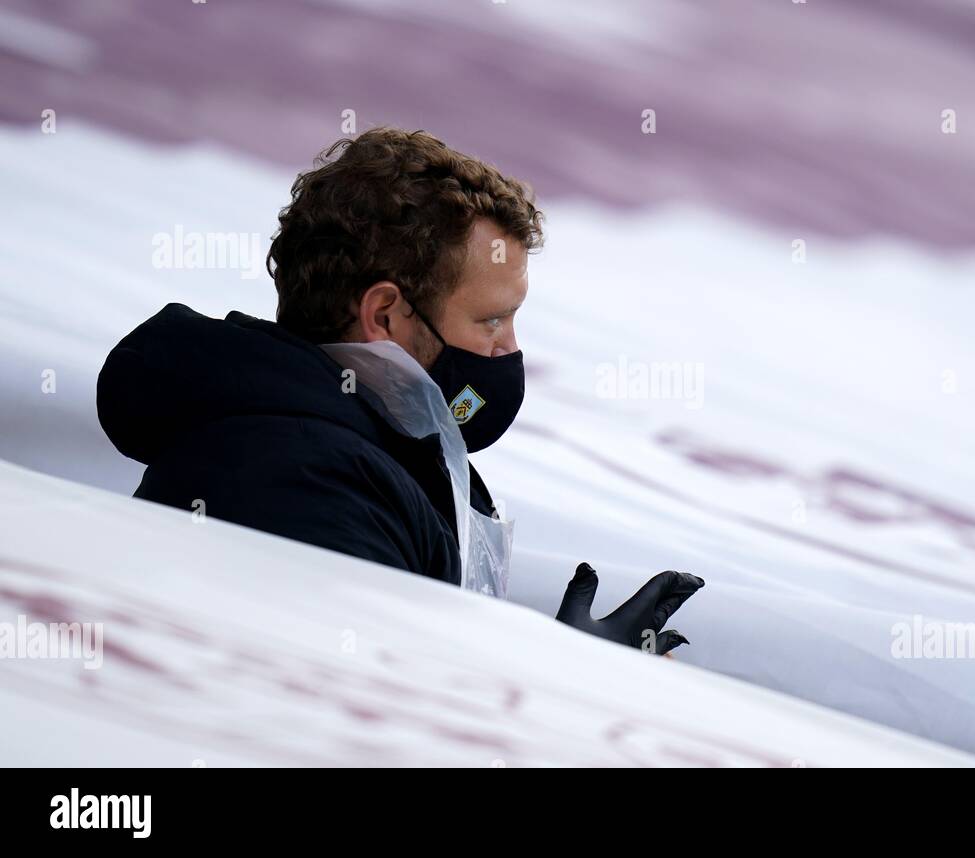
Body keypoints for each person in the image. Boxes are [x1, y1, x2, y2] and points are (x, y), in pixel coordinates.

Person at [96, 127, 702, 654]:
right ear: (385, 316)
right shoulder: (307, 481)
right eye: (490, 321)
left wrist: (545, 665)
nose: (509, 350)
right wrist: (565, 691)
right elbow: (364, 726)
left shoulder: (362, 452)